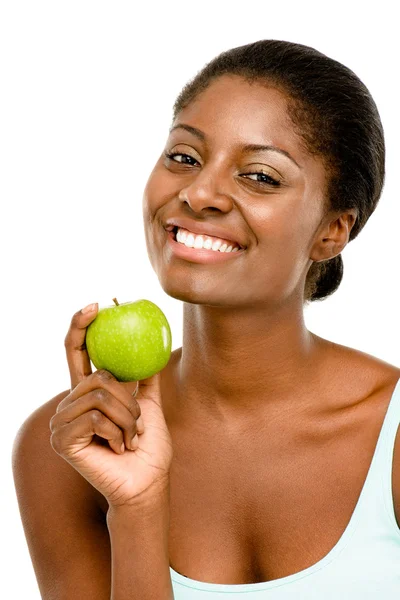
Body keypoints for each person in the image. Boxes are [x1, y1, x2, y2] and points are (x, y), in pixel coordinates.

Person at [12, 39, 400, 599]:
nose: (198, 194)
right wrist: (138, 507)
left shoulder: (393, 436)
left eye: (261, 176)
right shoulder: (70, 447)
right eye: (185, 157)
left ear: (331, 232)